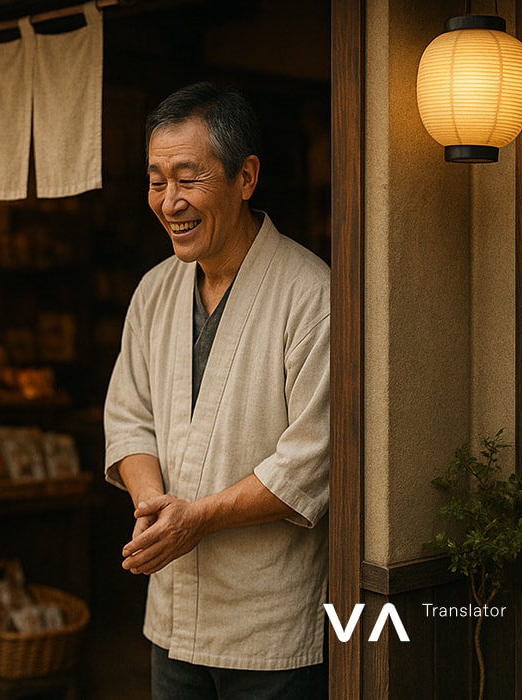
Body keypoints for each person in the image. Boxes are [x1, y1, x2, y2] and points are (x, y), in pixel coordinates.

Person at [103, 82, 330, 699]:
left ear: (246, 176)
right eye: (155, 180)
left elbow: (310, 461)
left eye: (187, 178)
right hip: (171, 616)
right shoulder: (154, 290)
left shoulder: (311, 294)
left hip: (270, 626)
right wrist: (154, 507)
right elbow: (128, 417)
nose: (168, 201)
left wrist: (196, 520)